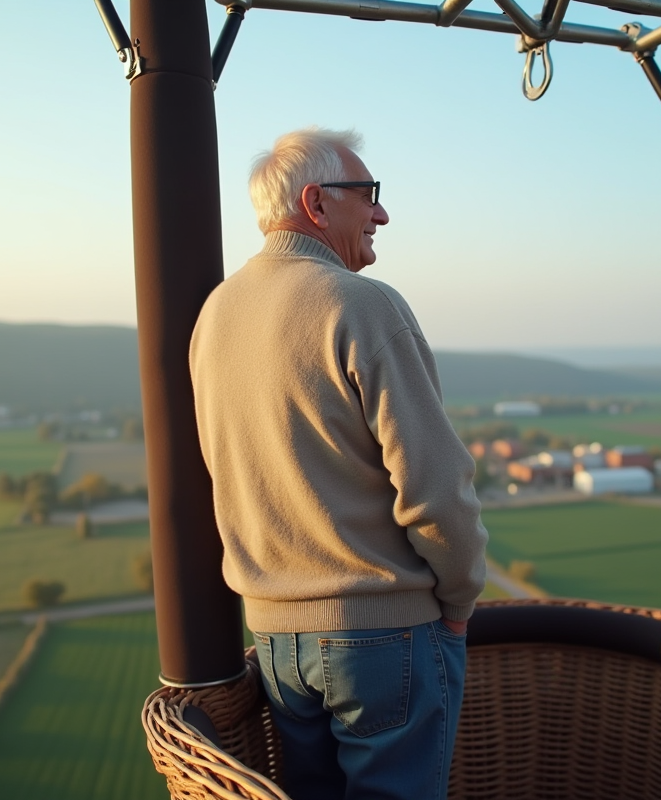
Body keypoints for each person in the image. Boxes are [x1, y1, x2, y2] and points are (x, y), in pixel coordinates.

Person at [189, 127, 489, 800]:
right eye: (369, 195)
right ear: (317, 204)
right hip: (383, 637)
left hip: (274, 645)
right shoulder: (363, 305)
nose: (381, 213)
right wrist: (461, 598)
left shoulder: (215, 315)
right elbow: (437, 489)